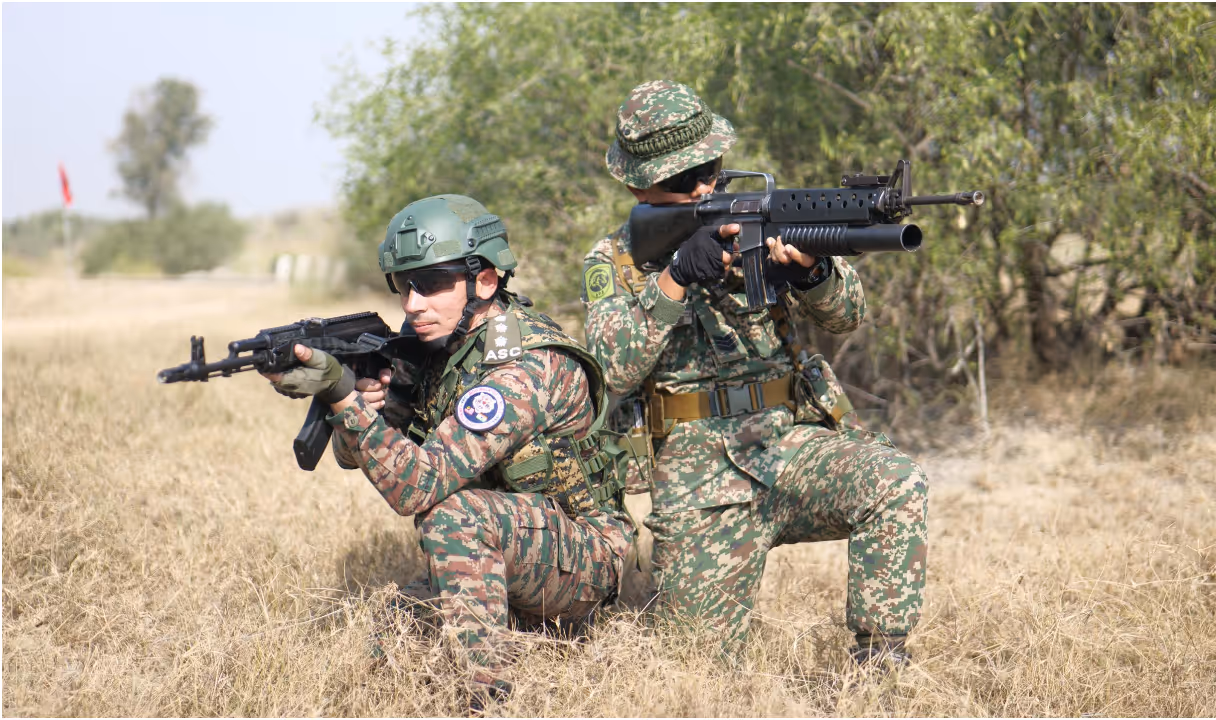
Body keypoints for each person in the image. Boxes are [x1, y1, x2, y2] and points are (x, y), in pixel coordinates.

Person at [582, 80, 928, 666]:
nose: (703, 187)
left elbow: (849, 316)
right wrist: (674, 278)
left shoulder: (764, 218)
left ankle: (880, 664)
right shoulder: (614, 259)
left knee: (895, 481)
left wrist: (812, 275)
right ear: (638, 185)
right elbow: (614, 367)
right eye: (682, 179)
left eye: (710, 170)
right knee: (697, 665)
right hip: (696, 474)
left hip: (786, 443)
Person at [265, 194, 634, 701]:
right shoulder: (441, 350)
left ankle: (484, 697)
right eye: (403, 285)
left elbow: (415, 487)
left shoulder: (523, 366)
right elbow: (357, 459)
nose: (413, 304)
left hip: (584, 561)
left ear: (485, 280)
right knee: (389, 633)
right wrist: (367, 404)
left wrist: (341, 395)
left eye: (433, 283)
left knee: (453, 516)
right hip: (515, 543)